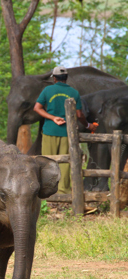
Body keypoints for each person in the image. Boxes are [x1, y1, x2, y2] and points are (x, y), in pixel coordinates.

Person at [33, 66, 97, 194]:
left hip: (49, 131)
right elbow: (79, 115)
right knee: (66, 163)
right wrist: (88, 125)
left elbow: (37, 108)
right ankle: (63, 192)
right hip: (67, 132)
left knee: (47, 161)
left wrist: (53, 118)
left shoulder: (47, 90)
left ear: (55, 78)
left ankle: (46, 192)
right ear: (66, 78)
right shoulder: (74, 92)